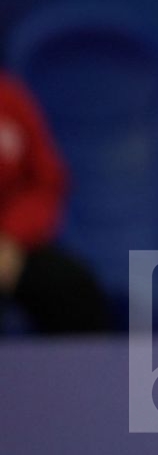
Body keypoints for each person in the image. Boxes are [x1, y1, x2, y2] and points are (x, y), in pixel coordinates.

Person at [0, 73, 110, 334]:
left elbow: (46, 183)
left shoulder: (11, 99)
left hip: (12, 247)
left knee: (73, 287)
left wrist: (11, 239)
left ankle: (89, 361)